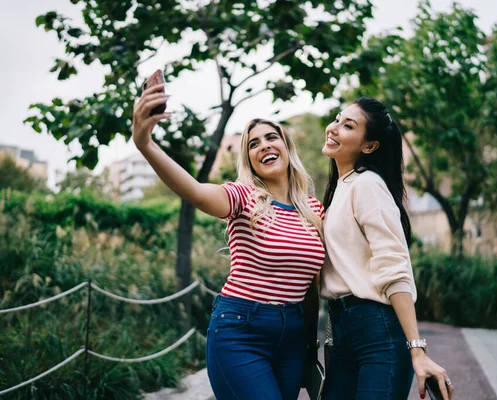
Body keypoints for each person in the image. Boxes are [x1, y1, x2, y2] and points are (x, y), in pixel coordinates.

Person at [132, 82, 325, 400]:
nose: (264, 145)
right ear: (249, 159)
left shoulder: (313, 210)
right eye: (254, 143)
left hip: (292, 337)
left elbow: (312, 287)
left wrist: (309, 344)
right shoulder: (242, 196)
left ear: (287, 148)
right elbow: (194, 190)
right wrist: (146, 145)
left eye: (271, 137)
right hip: (240, 330)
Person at [320, 97, 454, 400]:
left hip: (377, 331)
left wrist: (417, 350)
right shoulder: (341, 187)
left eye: (348, 125)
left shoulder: (367, 184)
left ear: (369, 146)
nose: (334, 128)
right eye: (338, 119)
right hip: (343, 329)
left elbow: (394, 266)